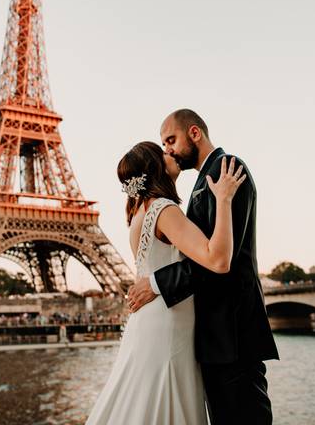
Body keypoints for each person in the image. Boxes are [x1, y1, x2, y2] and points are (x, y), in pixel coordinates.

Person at [126, 109, 279, 424]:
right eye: (162, 144)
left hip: (231, 332)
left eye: (171, 140)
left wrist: (157, 283)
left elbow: (222, 260)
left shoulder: (227, 170)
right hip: (214, 336)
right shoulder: (201, 183)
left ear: (194, 133)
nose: (167, 149)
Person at [86, 140, 246, 424]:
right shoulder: (163, 208)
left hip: (149, 320)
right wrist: (223, 199)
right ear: (154, 167)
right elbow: (218, 260)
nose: (169, 152)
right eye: (162, 151)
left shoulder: (138, 213)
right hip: (168, 322)